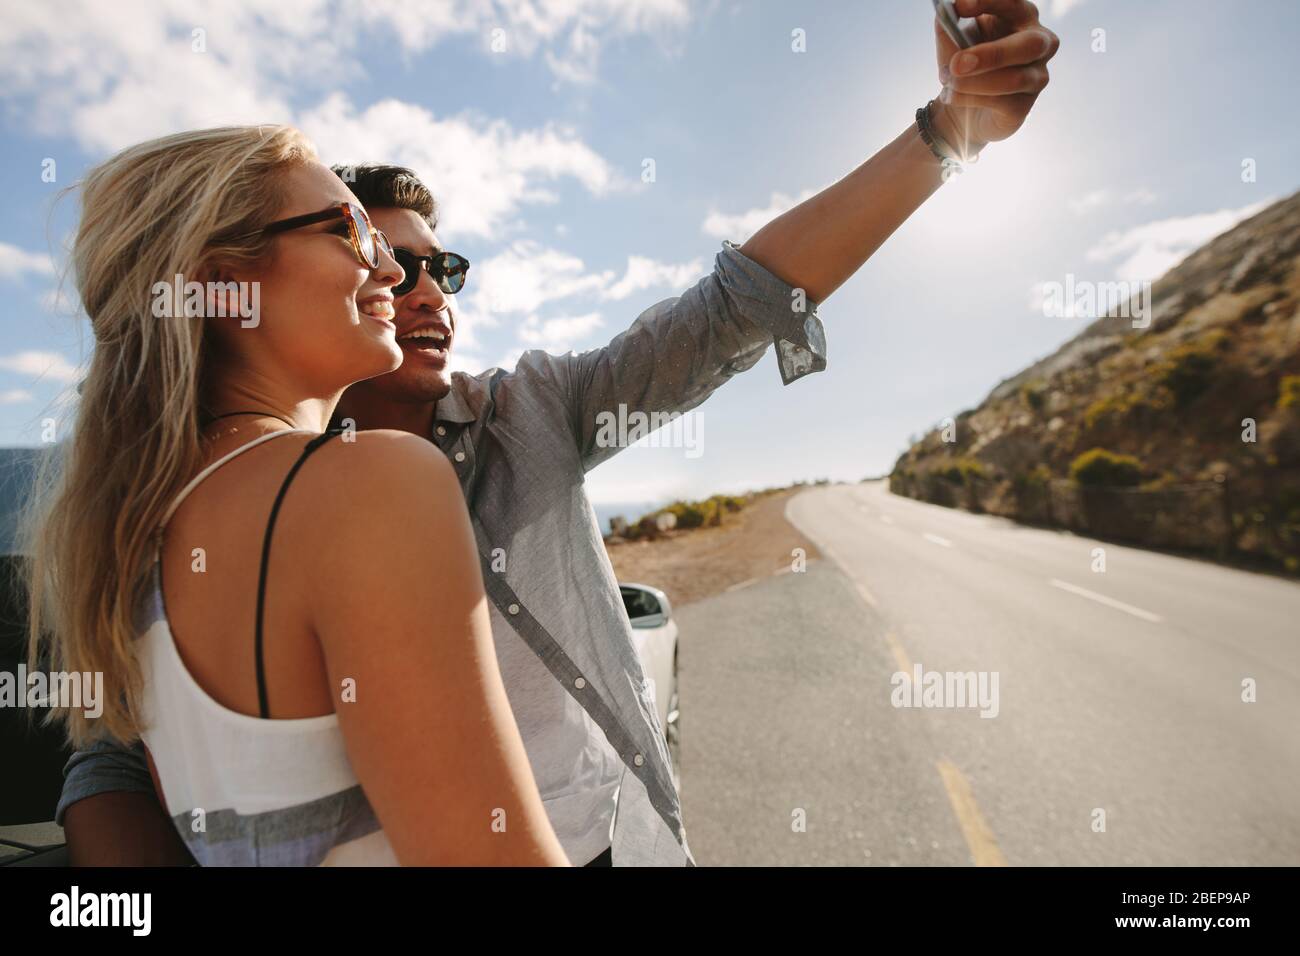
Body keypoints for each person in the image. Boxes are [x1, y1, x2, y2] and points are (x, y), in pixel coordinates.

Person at [51, 0, 1059, 866]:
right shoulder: (363, 485)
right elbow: (110, 755)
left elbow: (729, 310)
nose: (410, 284)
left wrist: (944, 134)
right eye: (359, 243)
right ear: (229, 286)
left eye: (441, 268)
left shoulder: (147, 515)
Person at [19, 125, 569, 866]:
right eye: (349, 230)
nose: (392, 271)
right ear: (223, 286)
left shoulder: (128, 544)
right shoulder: (371, 481)